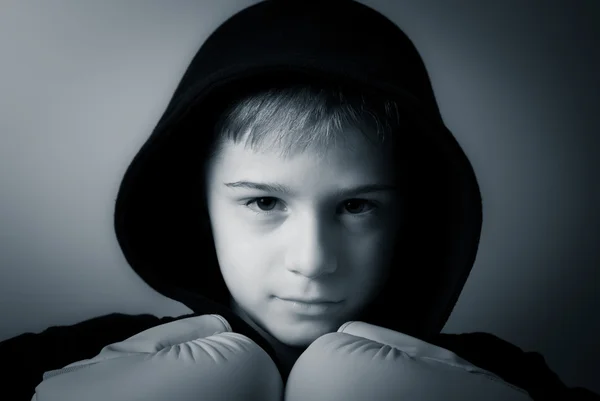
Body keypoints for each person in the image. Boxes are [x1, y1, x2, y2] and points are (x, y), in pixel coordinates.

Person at [2, 1, 598, 400]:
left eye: (357, 206)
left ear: (410, 215)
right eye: (264, 203)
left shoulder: (502, 378)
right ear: (196, 206)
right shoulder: (71, 360)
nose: (312, 261)